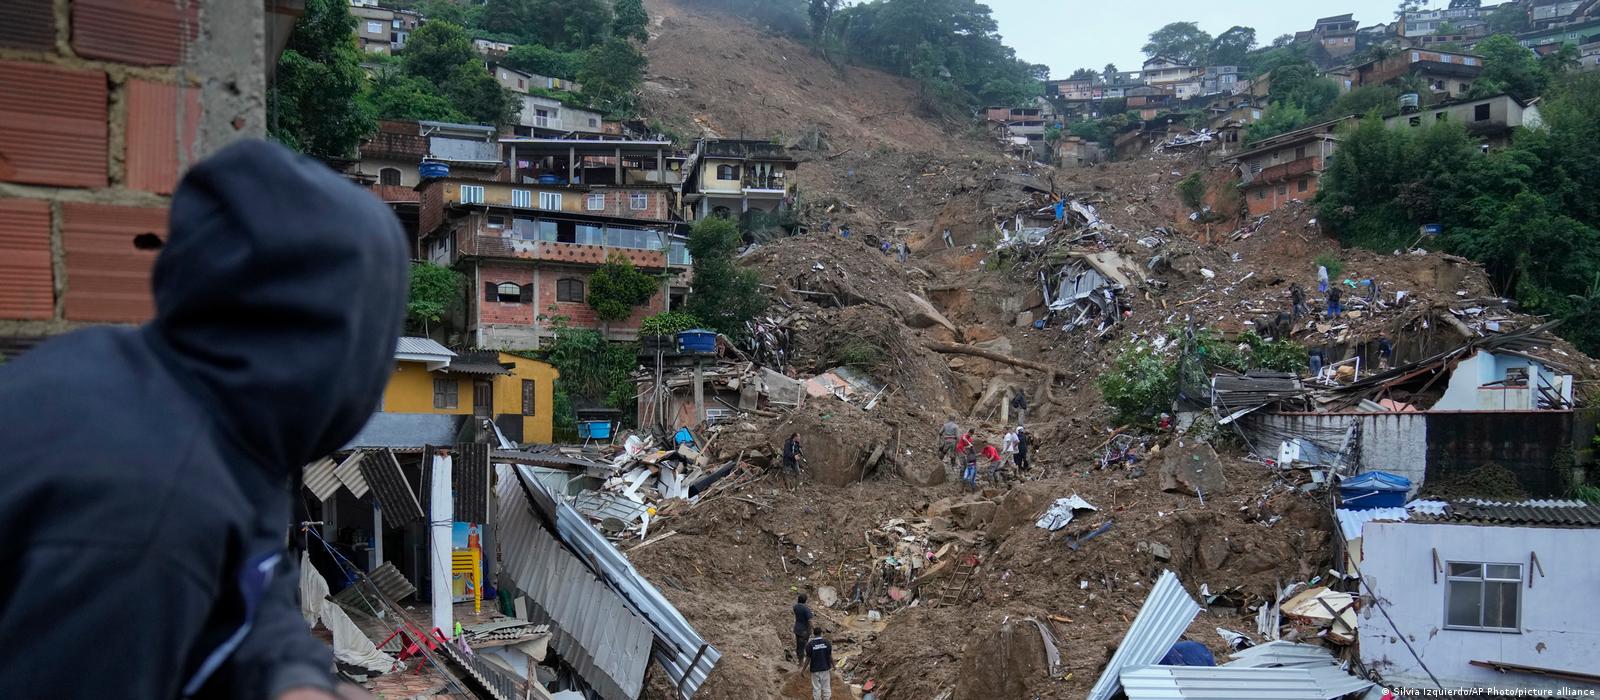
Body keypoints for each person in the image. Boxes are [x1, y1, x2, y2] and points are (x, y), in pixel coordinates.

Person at [0, 140, 408, 700]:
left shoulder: (210, 416)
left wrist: (297, 681)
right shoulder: (149, 514)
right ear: (330, 345)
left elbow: (249, 590)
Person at [806, 628, 835, 700]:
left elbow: (807, 659)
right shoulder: (827, 643)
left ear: (814, 634)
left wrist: (803, 669)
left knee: (816, 688)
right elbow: (830, 656)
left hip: (815, 669)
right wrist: (834, 665)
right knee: (826, 688)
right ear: (821, 633)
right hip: (825, 669)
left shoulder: (810, 645)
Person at [793, 593, 813, 666]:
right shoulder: (806, 609)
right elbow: (810, 620)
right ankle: (802, 663)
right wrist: (812, 629)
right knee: (803, 646)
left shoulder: (795, 607)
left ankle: (800, 662)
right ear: (805, 600)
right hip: (804, 630)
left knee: (799, 646)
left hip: (797, 629)